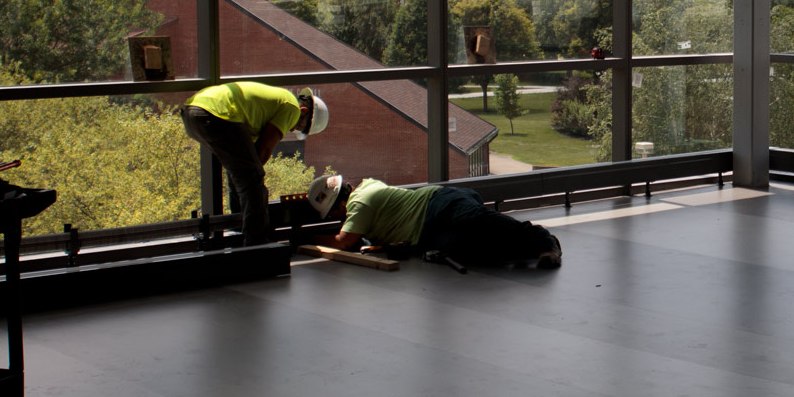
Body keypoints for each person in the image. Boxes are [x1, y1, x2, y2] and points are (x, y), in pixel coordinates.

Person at [305, 174, 561, 268]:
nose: (339, 220)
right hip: (428, 230)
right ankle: (532, 252)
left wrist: (306, 238)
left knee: (482, 223)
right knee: (471, 250)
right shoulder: (366, 191)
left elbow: (345, 242)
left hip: (437, 205)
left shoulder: (360, 201)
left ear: (340, 203)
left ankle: (544, 239)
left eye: (335, 215)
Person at [181, 81, 329, 244]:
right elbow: (263, 150)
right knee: (254, 183)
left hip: (192, 113)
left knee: (240, 176)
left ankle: (240, 229)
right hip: (215, 114)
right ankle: (257, 246)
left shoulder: (267, 108)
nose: (293, 130)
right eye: (300, 127)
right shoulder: (291, 108)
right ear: (303, 111)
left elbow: (248, 157)